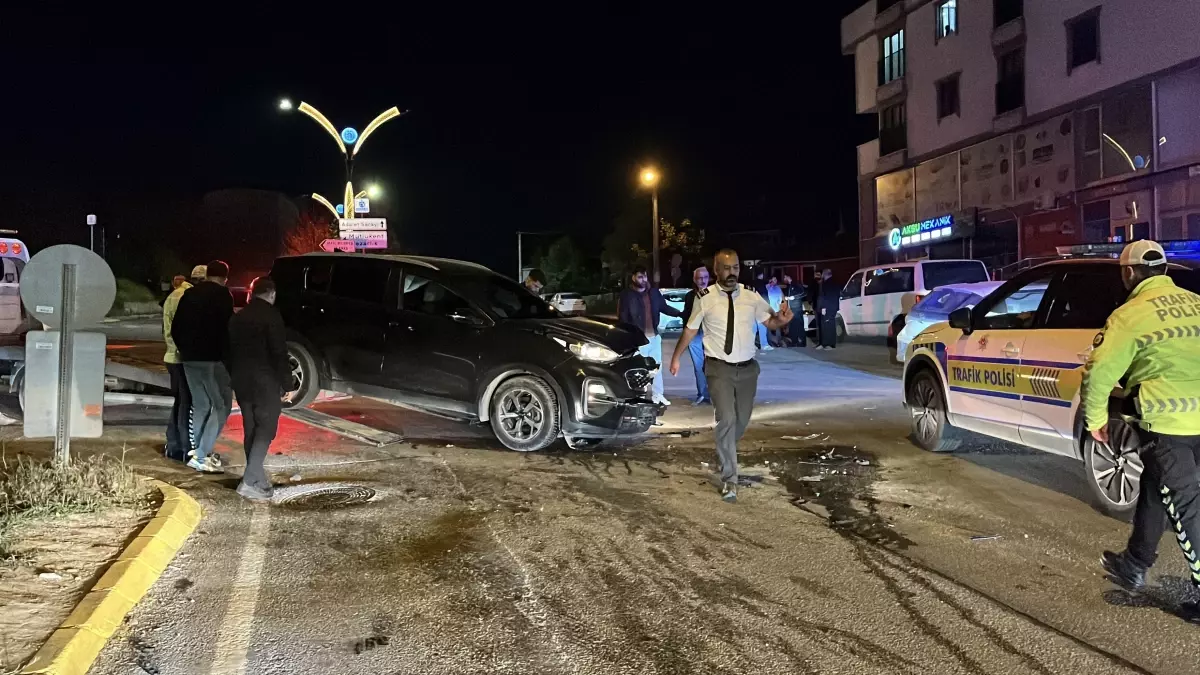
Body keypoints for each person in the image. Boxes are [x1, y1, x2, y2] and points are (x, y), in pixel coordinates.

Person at [1084, 241, 1200, 622]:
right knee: (1155, 486)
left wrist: (1096, 419)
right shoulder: (1195, 303)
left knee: (1185, 508)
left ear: (1129, 273)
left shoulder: (1129, 315)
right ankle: (1134, 562)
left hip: (1169, 424)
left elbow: (1099, 372)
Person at [668, 249, 793, 503]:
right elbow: (691, 330)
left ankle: (725, 448)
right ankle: (730, 479)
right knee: (726, 418)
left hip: (747, 369)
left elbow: (770, 321)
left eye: (735, 267)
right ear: (716, 270)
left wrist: (782, 320)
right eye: (726, 268)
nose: (732, 272)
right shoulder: (705, 298)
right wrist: (676, 357)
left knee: (741, 421)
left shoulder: (750, 296)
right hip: (718, 368)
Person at [227, 278, 291, 501]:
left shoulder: (238, 317)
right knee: (266, 429)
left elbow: (228, 351)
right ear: (272, 294)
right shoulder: (272, 316)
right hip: (265, 381)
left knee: (251, 429)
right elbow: (279, 353)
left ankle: (257, 478)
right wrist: (287, 383)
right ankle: (249, 480)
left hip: (242, 381)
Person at [172, 260, 235, 474]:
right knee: (220, 406)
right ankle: (200, 454)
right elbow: (227, 329)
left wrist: (185, 349)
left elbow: (176, 326)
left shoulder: (189, 294)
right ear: (225, 278)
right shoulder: (223, 295)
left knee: (200, 404)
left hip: (189, 358)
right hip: (212, 359)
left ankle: (199, 451)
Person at [618, 266, 683, 406]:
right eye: (640, 277)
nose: (643, 280)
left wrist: (681, 314)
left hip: (654, 337)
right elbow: (623, 318)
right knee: (638, 371)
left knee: (657, 369)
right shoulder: (627, 295)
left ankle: (658, 395)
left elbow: (664, 308)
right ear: (633, 278)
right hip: (637, 340)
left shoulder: (653, 293)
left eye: (645, 276)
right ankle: (638, 398)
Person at [161, 265, 205, 462]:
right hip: (181, 357)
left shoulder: (175, 295)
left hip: (171, 356)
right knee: (186, 404)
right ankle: (186, 448)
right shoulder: (187, 297)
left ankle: (173, 445)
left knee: (180, 402)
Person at [681, 266, 711, 406]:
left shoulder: (715, 295)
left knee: (713, 365)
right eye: (699, 278)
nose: (702, 280)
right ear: (694, 279)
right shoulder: (689, 296)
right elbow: (686, 316)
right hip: (695, 334)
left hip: (712, 334)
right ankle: (702, 394)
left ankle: (714, 395)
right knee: (698, 366)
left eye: (705, 277)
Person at [816, 268, 840, 350]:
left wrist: (824, 307)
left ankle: (830, 344)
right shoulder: (833, 282)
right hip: (832, 307)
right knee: (825, 325)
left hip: (828, 308)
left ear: (825, 274)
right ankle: (824, 343)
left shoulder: (828, 284)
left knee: (828, 325)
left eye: (822, 274)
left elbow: (826, 296)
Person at [780, 274, 806, 347]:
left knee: (799, 325)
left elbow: (803, 293)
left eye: (785, 277)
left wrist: (793, 297)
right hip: (791, 308)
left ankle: (802, 342)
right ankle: (794, 341)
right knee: (793, 325)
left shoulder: (797, 284)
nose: (784, 279)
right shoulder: (789, 286)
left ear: (788, 277)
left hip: (797, 308)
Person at [765, 277, 784, 348]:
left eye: (775, 280)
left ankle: (778, 341)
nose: (774, 281)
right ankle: (769, 341)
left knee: (777, 326)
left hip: (776, 309)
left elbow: (781, 298)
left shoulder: (778, 288)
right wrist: (770, 283)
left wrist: (781, 305)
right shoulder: (767, 287)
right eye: (773, 279)